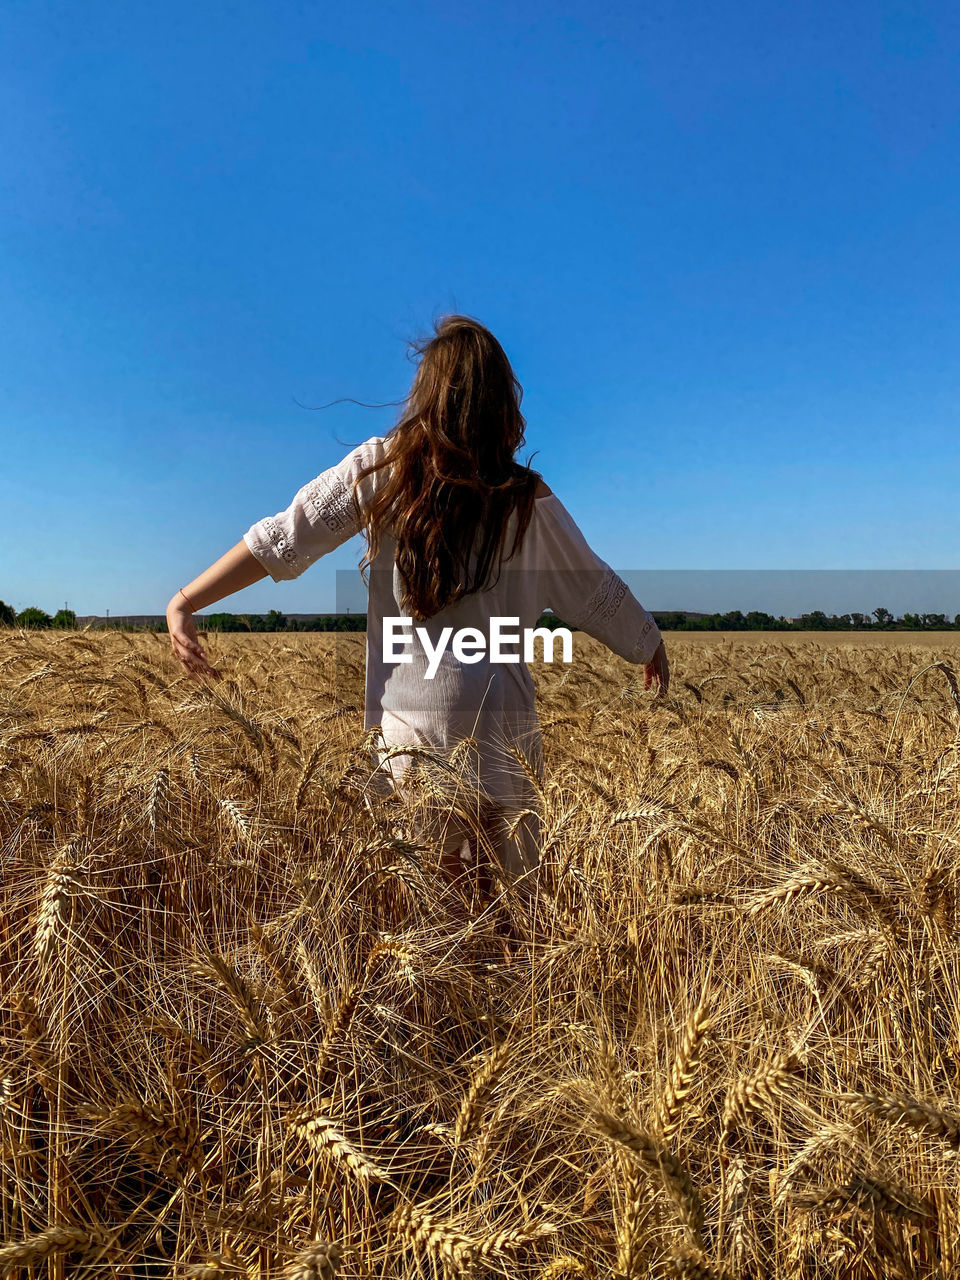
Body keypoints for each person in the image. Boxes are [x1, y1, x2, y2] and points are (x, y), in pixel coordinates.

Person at [166, 315, 669, 931]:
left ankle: (450, 1026)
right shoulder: (526, 498)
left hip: (414, 721)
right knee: (506, 911)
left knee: (432, 922)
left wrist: (187, 600)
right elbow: (593, 588)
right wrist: (646, 640)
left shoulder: (381, 470)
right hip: (503, 719)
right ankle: (507, 1022)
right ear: (501, 402)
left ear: (426, 393)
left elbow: (283, 539)